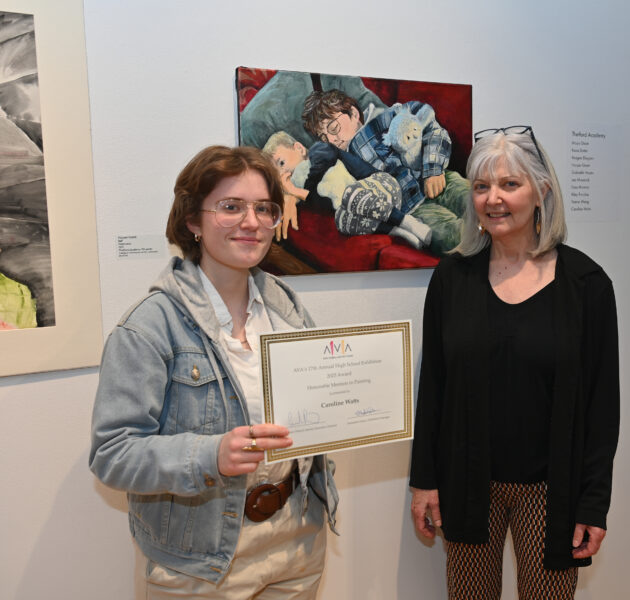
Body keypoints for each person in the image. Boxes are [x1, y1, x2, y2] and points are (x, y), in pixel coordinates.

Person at [89, 145, 338, 599]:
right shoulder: (148, 326)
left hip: (296, 543)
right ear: (192, 221)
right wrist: (209, 455)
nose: (252, 222)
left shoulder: (286, 307)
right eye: (231, 207)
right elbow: (112, 453)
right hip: (202, 560)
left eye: (265, 208)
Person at [409, 127, 619, 599]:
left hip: (552, 491)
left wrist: (594, 503)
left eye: (509, 184)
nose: (493, 199)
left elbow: (603, 410)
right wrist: (424, 482)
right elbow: (434, 390)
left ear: (541, 190)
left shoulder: (587, 285)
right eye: (481, 186)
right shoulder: (451, 279)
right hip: (466, 483)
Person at [301, 89, 469, 255]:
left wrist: (433, 169)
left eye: (333, 127)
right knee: (455, 237)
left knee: (473, 200)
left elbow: (430, 127)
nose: (331, 139)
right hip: (413, 209)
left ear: (353, 113)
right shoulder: (341, 162)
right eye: (323, 137)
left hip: (440, 179)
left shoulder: (386, 117)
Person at [263, 131, 432, 248]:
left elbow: (325, 163)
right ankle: (400, 231)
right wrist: (294, 191)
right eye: (279, 175)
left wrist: (296, 191)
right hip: (364, 207)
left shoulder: (318, 151)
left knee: (349, 194)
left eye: (282, 163)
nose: (285, 174)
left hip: (383, 186)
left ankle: (407, 221)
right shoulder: (308, 188)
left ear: (299, 148)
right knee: (342, 220)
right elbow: (328, 204)